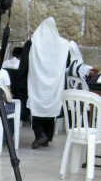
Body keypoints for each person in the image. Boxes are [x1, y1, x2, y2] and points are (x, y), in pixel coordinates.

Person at [25, 17, 69, 148]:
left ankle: (40, 134)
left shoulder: (33, 43)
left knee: (37, 108)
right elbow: (68, 63)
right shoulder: (63, 44)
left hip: (36, 83)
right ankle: (47, 137)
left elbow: (24, 64)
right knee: (51, 109)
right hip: (55, 84)